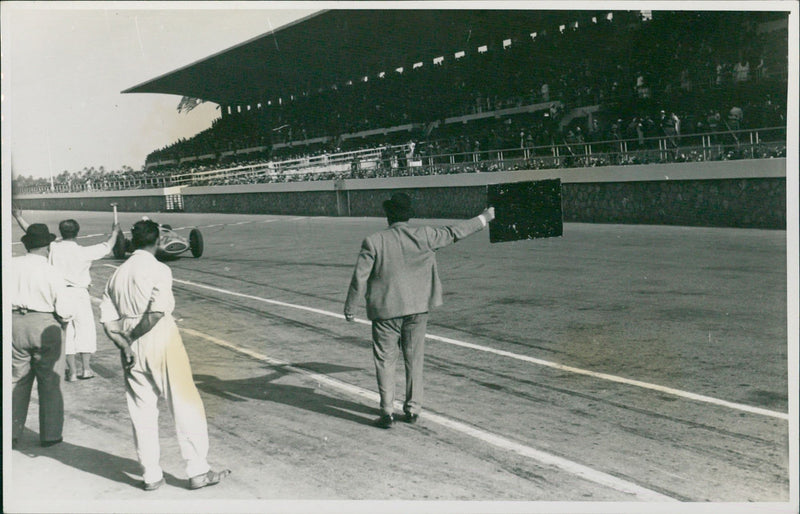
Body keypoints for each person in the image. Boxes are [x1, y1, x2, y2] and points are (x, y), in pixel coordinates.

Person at [344, 193, 495, 428]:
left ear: (388, 216)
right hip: (417, 309)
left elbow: (359, 278)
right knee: (414, 360)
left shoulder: (373, 241)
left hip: (385, 312)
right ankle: (413, 409)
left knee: (385, 360)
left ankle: (386, 412)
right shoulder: (425, 236)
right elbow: (457, 231)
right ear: (408, 216)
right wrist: (485, 217)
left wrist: (350, 307)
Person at [99, 220, 230, 491]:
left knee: (141, 411)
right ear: (158, 240)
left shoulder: (117, 274)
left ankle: (150, 475)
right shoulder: (159, 268)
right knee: (185, 404)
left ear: (133, 242)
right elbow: (157, 312)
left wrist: (124, 344)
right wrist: (133, 337)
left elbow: (108, 320)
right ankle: (198, 471)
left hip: (127, 341)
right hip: (158, 338)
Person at [13, 208, 121, 381]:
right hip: (80, 294)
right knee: (85, 330)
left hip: (60, 293)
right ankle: (86, 369)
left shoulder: (53, 247)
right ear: (76, 233)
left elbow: (32, 234)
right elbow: (108, 246)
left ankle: (71, 372)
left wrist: (19, 217)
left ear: (60, 232)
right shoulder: (83, 251)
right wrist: (115, 232)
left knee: (67, 332)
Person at [11, 223, 73, 448]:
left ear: (27, 245)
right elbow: (65, 310)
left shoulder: (11, 264)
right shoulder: (52, 270)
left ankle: (11, 431)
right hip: (44, 322)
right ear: (47, 246)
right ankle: (50, 434)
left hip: (14, 323)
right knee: (50, 381)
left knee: (15, 379)